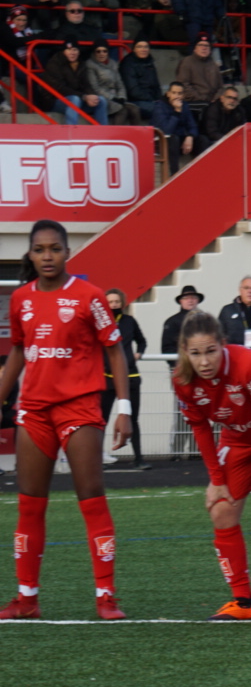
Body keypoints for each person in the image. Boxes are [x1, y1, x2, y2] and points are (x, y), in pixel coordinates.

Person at [0, 220, 132, 620]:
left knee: (91, 499)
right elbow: (19, 352)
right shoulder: (20, 298)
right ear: (30, 254)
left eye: (54, 248)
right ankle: (26, 599)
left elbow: (114, 350)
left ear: (67, 251)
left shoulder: (90, 297)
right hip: (35, 411)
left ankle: (106, 597)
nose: (47, 256)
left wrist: (123, 408)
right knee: (29, 505)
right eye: (39, 249)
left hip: (79, 407)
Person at [171, 311, 251, 622]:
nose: (204, 362)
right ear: (185, 352)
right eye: (195, 353)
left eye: (211, 351)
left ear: (223, 345)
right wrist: (216, 478)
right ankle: (243, 602)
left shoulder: (247, 364)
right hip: (239, 436)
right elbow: (200, 427)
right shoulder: (182, 380)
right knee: (220, 507)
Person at [101, 289, 148, 470]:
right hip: (107, 377)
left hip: (131, 376)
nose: (114, 305)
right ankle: (97, 458)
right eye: (110, 302)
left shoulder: (129, 321)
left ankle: (139, 459)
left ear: (122, 302)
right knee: (101, 419)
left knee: (133, 418)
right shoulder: (101, 322)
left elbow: (142, 340)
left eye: (116, 302)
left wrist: (139, 353)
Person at [161, 284, 205, 366]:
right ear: (180, 301)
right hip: (182, 367)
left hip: (203, 364)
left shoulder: (206, 320)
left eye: (193, 298)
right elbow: (167, 348)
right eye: (186, 298)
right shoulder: (172, 322)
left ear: (198, 300)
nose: (190, 300)